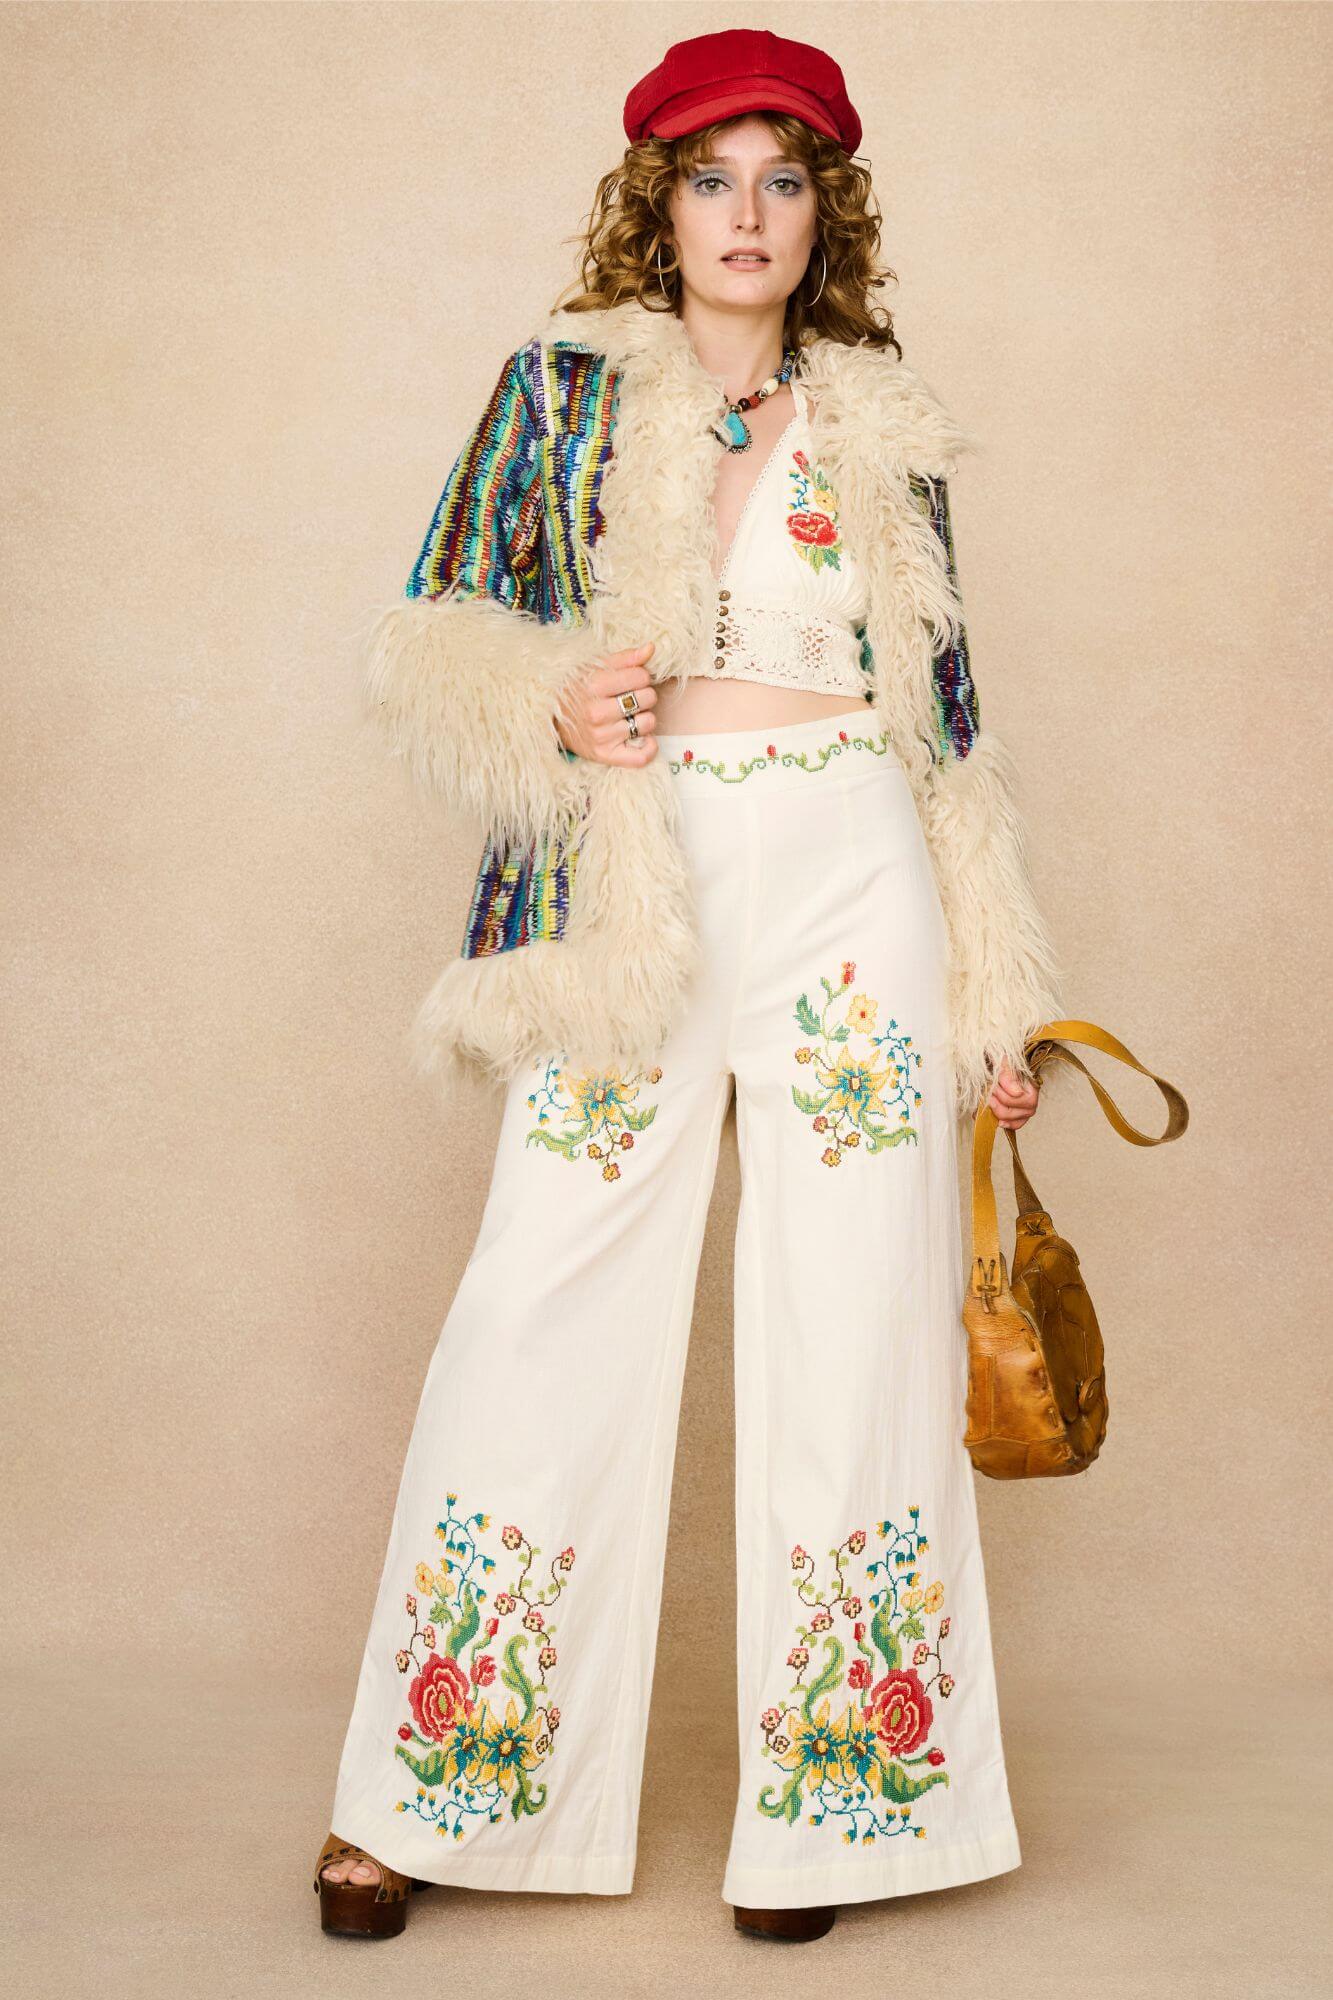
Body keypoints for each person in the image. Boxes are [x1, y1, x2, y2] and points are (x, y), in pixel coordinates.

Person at [315, 26, 1063, 1946]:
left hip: (855, 878)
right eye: (712, 173)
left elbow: (948, 731)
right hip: (633, 875)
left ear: (829, 209)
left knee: (855, 1308)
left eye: (784, 175)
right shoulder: (559, 388)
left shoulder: (883, 415)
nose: (749, 212)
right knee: (543, 1295)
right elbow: (436, 636)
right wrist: (549, 698)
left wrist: (992, 1004)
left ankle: (838, 1811)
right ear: (655, 197)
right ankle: (428, 1792)